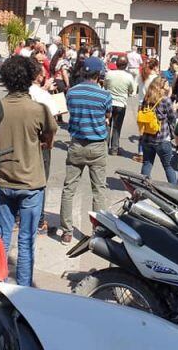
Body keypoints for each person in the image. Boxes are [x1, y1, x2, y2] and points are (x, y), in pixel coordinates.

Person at [0, 56, 56, 286]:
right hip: (31, 183)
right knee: (26, 241)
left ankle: (0, 284)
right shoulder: (39, 109)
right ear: (30, 79)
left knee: (2, 238)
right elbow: (49, 139)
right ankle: (24, 290)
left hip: (5, 180)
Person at [59, 56, 112, 244]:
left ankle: (66, 231)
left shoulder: (72, 92)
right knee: (99, 189)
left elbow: (70, 111)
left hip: (76, 144)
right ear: (98, 74)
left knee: (69, 188)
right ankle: (98, 231)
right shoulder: (105, 95)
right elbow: (107, 115)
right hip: (97, 145)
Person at [28, 60, 59, 235]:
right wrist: (50, 142)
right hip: (40, 143)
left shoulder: (20, 92)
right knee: (40, 182)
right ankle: (39, 221)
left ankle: (20, 217)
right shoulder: (43, 95)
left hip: (21, 143)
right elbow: (52, 120)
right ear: (39, 76)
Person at [140, 77, 178, 184]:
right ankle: (174, 189)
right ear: (161, 86)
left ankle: (143, 185)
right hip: (162, 138)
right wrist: (174, 108)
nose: (168, 86)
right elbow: (172, 117)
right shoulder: (165, 100)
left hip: (147, 137)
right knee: (168, 166)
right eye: (166, 84)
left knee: (147, 163)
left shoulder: (147, 98)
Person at [104, 55, 135, 156]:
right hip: (121, 104)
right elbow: (132, 91)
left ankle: (104, 147)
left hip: (108, 102)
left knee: (107, 125)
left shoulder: (109, 74)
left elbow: (105, 86)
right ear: (126, 66)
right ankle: (114, 149)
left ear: (116, 64)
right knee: (117, 127)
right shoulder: (129, 76)